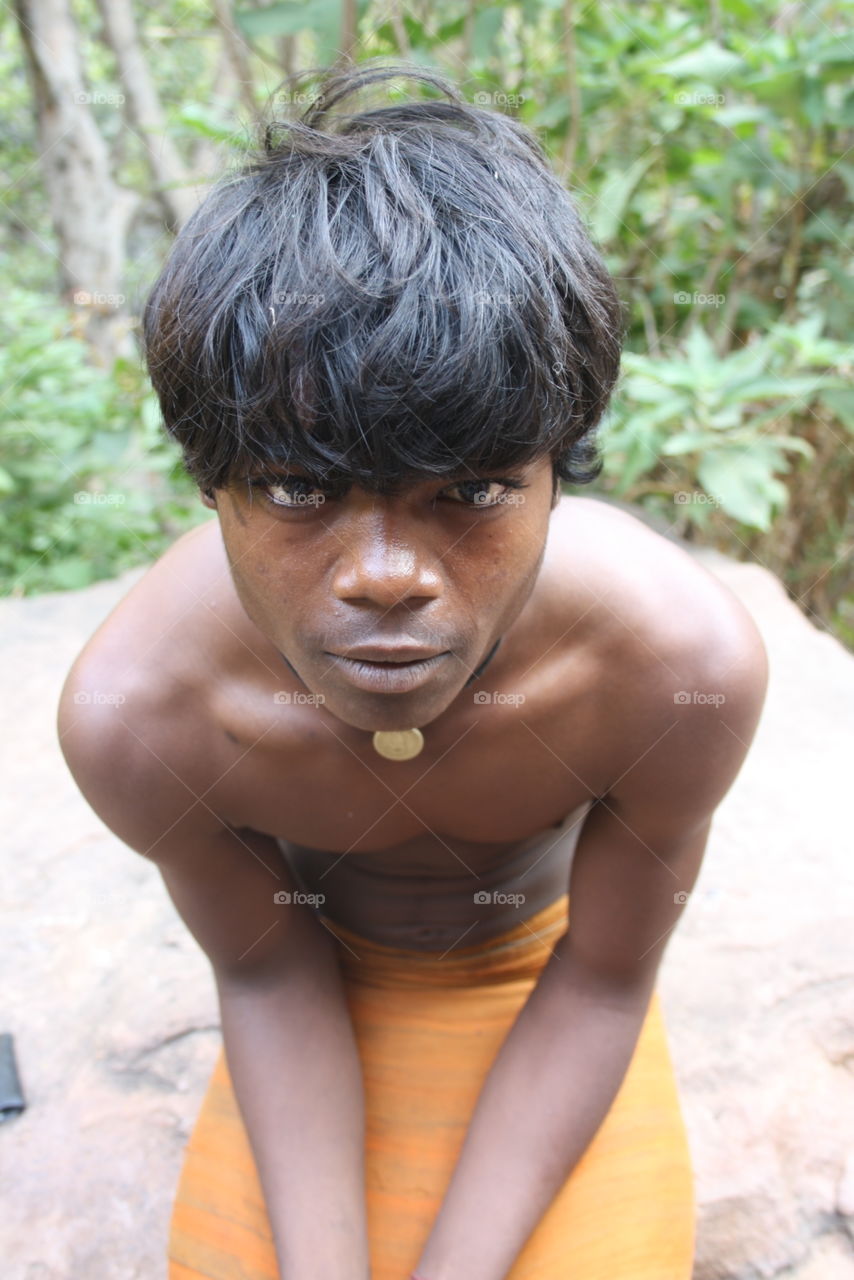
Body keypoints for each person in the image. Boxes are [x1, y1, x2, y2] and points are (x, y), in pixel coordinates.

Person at [56, 60, 768, 1280]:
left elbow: (605, 976)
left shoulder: (670, 672)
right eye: (299, 487)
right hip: (310, 982)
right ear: (210, 483)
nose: (386, 574)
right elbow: (265, 967)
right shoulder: (144, 718)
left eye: (470, 490)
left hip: (554, 980)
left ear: (556, 472)